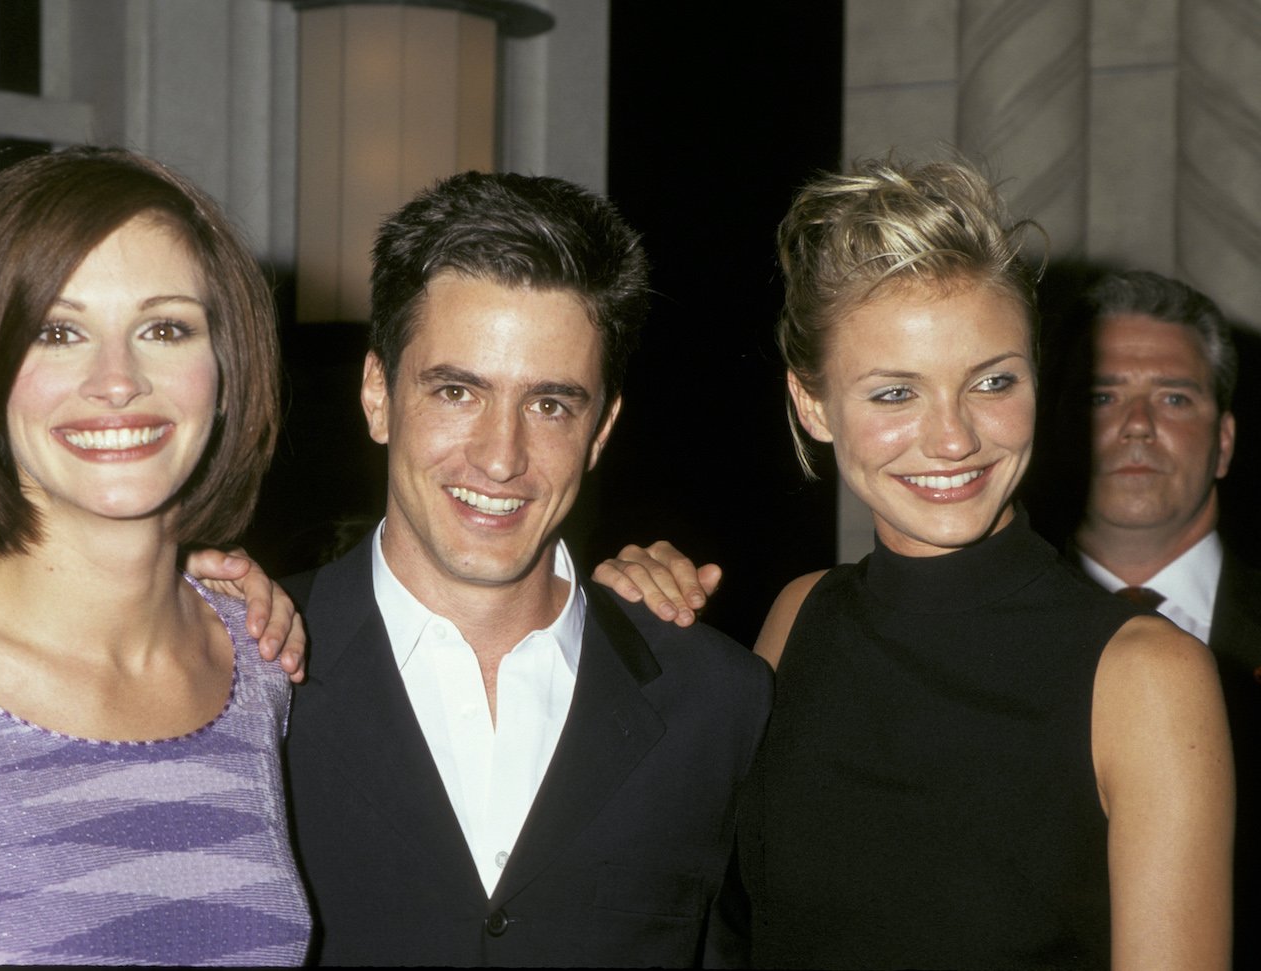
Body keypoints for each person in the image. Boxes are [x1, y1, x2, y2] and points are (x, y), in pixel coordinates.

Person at [596, 157, 1233, 969]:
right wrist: (619, 644)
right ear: (814, 404)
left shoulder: (1148, 675)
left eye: (992, 381)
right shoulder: (801, 614)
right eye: (896, 392)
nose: (954, 439)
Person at [281, 170, 773, 967]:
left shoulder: (717, 701)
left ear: (602, 428)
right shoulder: (242, 675)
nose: (501, 456)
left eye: (550, 404)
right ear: (378, 394)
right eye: (456, 391)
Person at [0, 147, 311, 965]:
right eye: (58, 331)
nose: (116, 379)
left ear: (224, 372)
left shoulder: (258, 660)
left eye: (165, 327)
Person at [1066, 269, 1261, 967]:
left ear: (1226, 440)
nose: (1138, 425)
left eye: (1173, 397)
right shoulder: (979, 631)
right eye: (1102, 396)